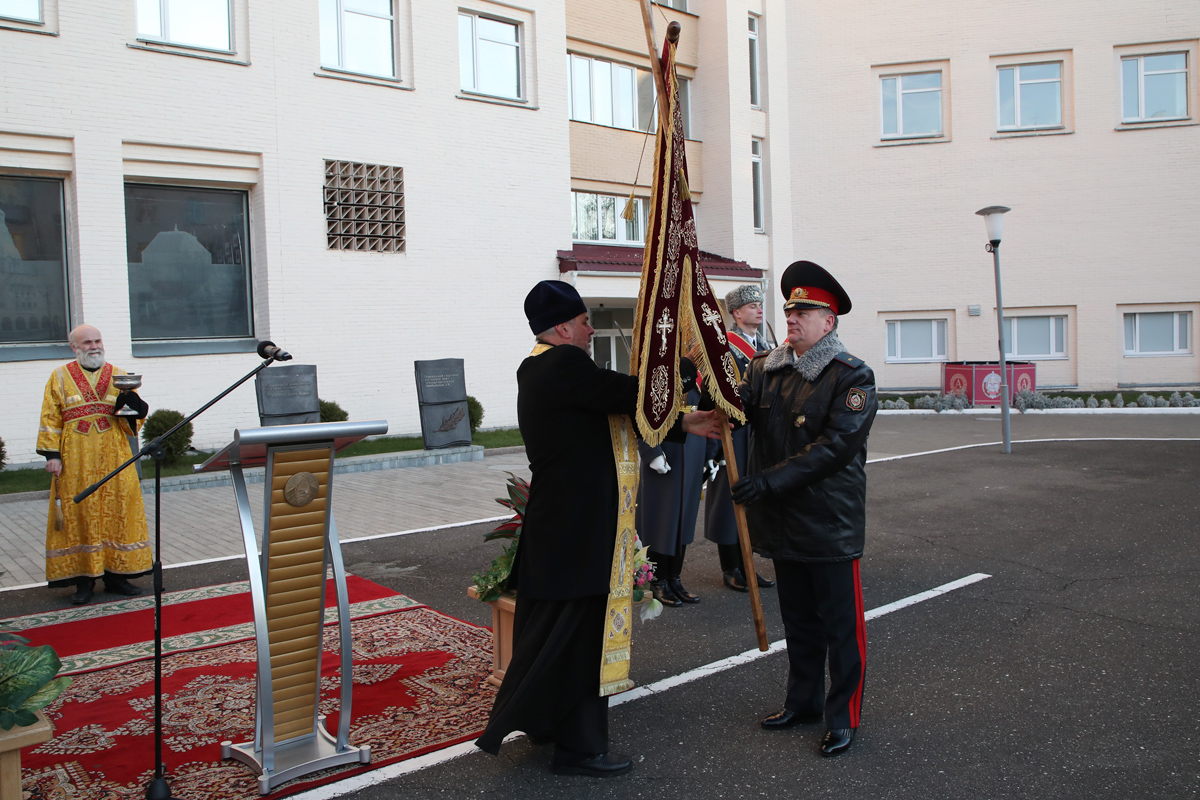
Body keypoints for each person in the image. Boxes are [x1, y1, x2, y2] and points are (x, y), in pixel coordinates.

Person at [476, 281, 721, 776]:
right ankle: (580, 750)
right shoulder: (562, 364)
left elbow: (612, 410)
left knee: (550, 634)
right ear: (563, 326)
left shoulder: (540, 367)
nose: (591, 330)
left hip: (561, 528)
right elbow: (628, 394)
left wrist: (687, 424)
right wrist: (684, 367)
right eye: (586, 321)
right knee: (580, 638)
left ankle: (546, 723)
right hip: (578, 532)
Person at [730, 261, 877, 758]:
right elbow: (736, 408)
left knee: (841, 628)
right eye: (789, 309)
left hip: (828, 521)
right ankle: (803, 701)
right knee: (799, 622)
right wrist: (704, 376)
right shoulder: (765, 368)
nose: (791, 318)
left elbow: (834, 448)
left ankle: (844, 717)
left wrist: (767, 482)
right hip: (784, 520)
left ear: (828, 322)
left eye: (805, 311)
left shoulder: (851, 375)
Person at [37, 324, 151, 605]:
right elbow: (50, 417)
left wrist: (133, 403)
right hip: (76, 459)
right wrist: (52, 456)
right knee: (81, 516)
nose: (94, 346)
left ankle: (117, 576)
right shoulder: (59, 377)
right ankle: (84, 581)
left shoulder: (119, 375)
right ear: (74, 347)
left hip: (115, 456)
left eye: (97, 340)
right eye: (87, 342)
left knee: (118, 511)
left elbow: (132, 422)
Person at [704, 284, 776, 592]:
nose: (759, 309)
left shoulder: (765, 345)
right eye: (751, 306)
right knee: (728, 502)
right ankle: (730, 567)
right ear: (736, 313)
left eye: (759, 305)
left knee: (751, 504)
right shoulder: (725, 347)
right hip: (733, 434)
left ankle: (747, 564)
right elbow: (711, 393)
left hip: (758, 435)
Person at [637, 357, 705, 607]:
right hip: (666, 457)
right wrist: (651, 453)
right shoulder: (657, 372)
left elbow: (703, 413)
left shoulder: (690, 371)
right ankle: (658, 581)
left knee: (684, 523)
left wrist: (711, 454)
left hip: (693, 457)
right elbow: (642, 417)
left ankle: (674, 578)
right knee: (660, 522)